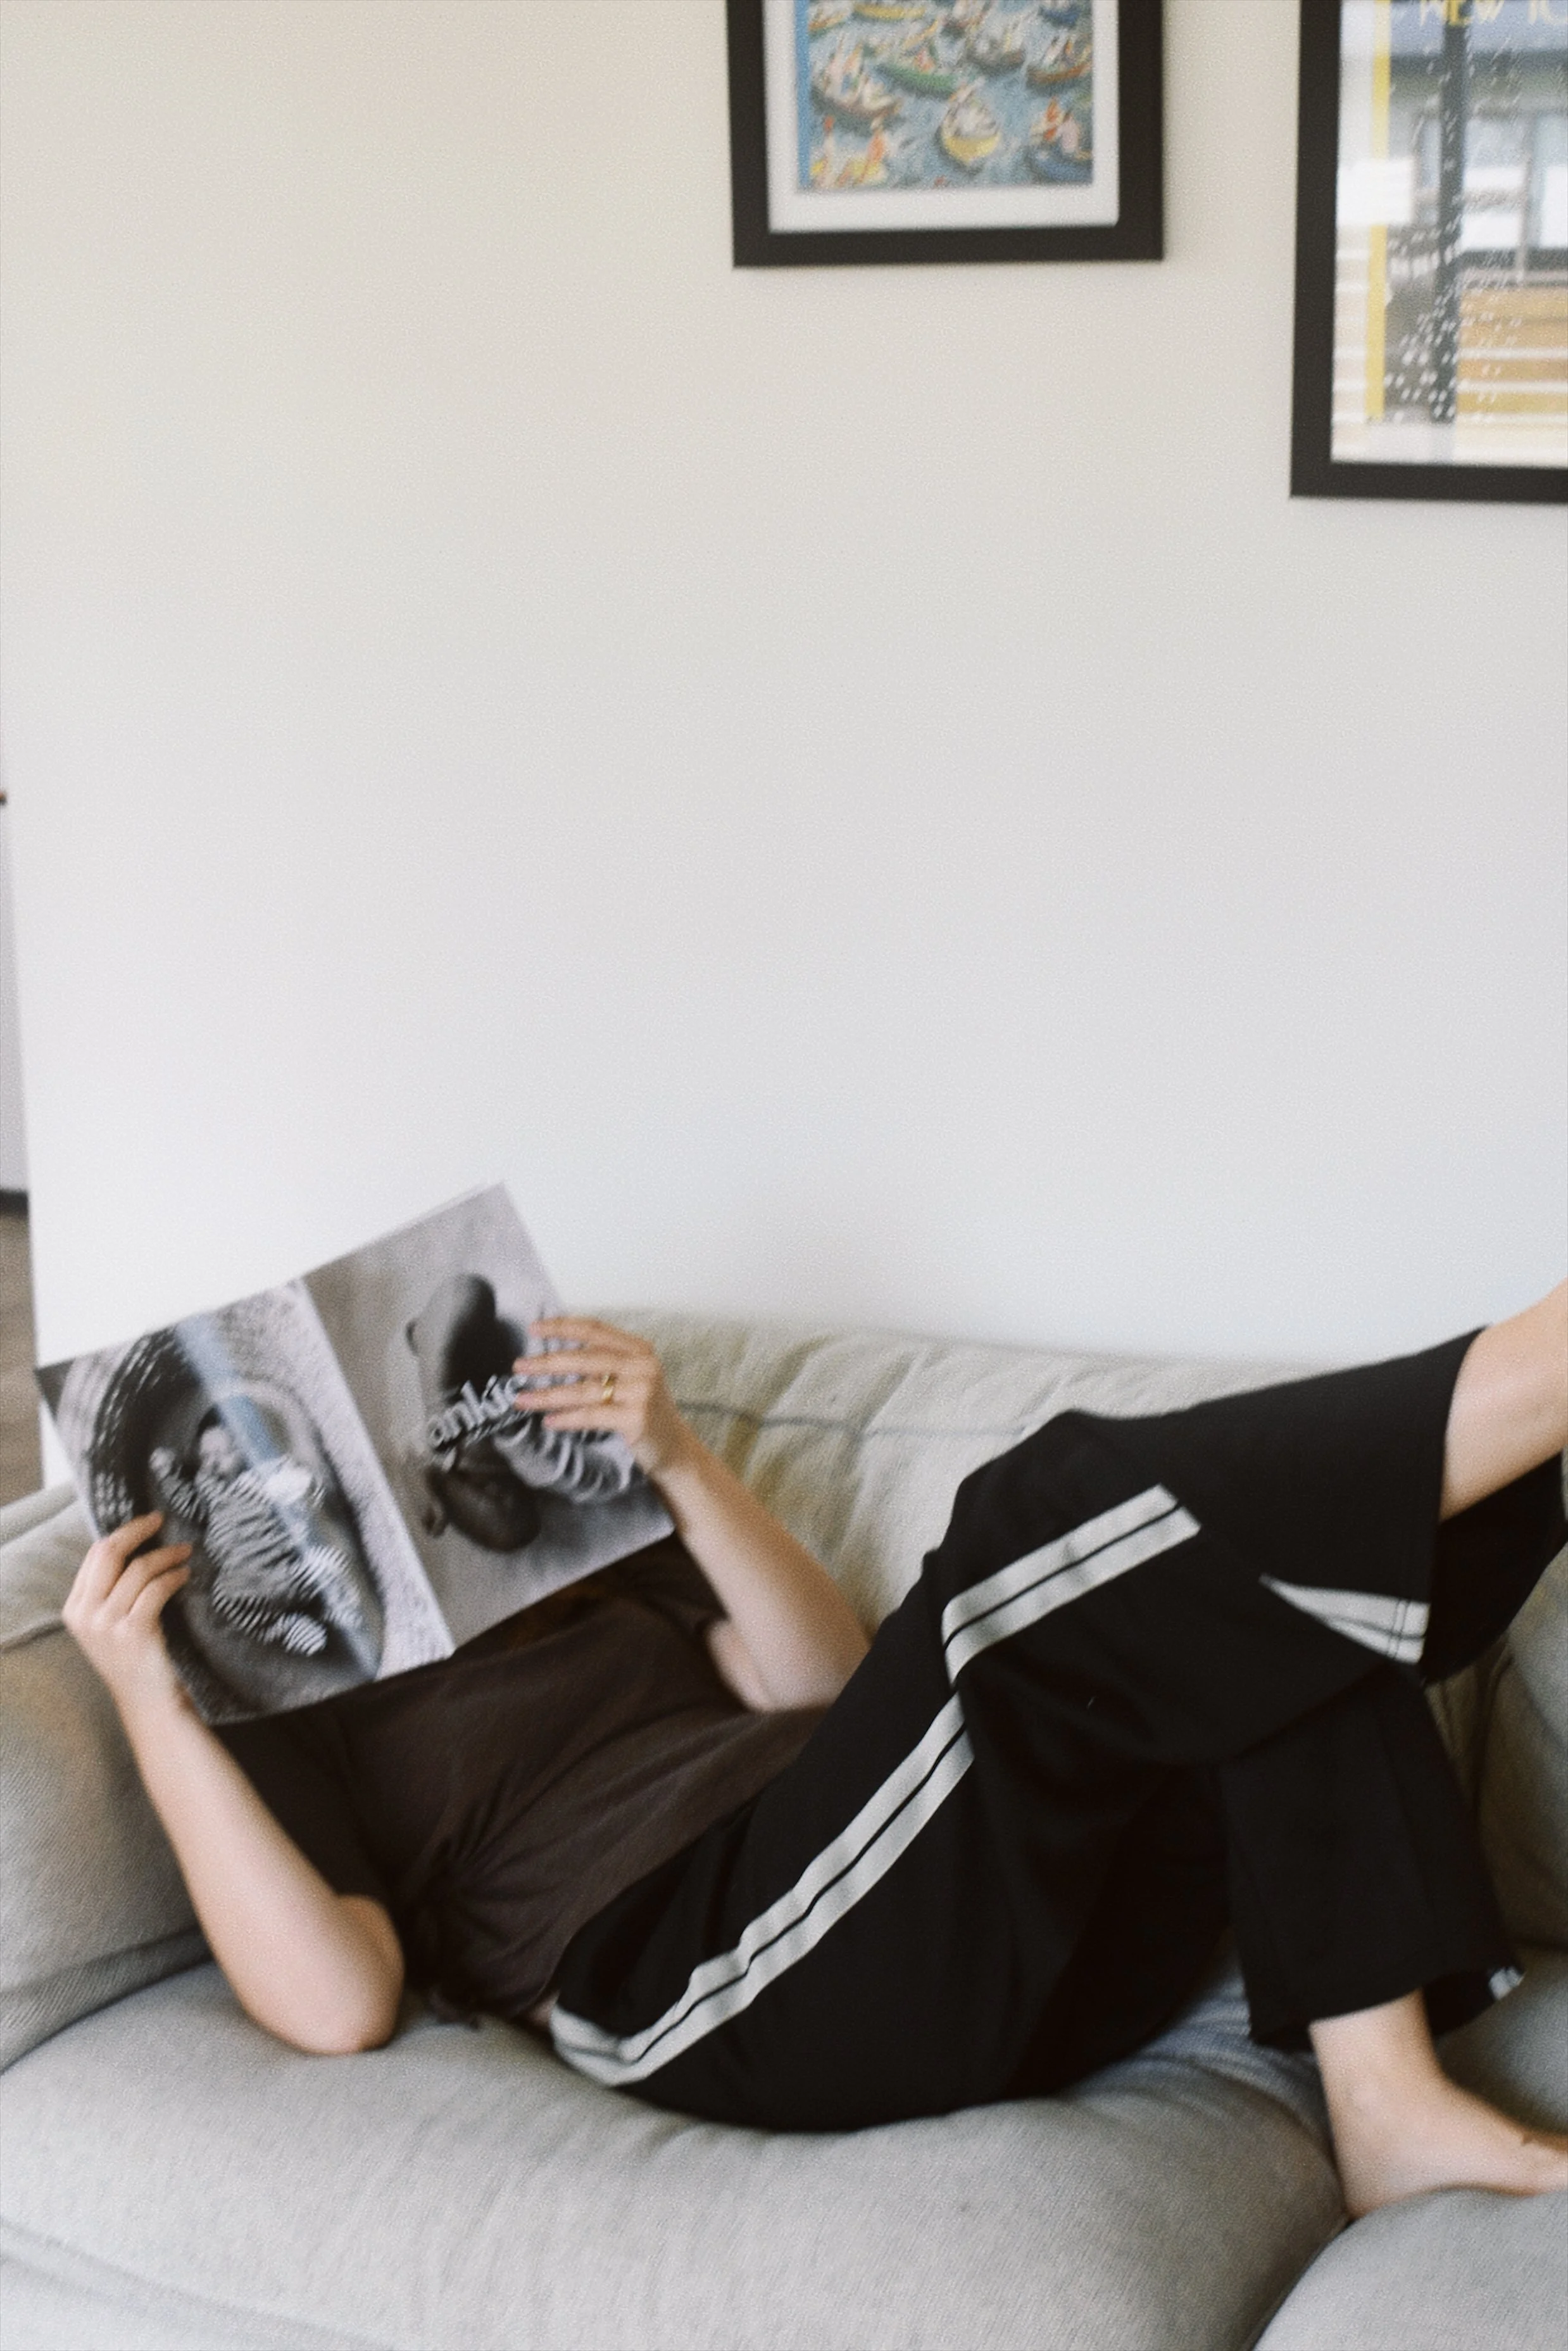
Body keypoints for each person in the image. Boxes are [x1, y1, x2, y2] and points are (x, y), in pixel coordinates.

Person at [63, 1285, 1568, 2217]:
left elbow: (820, 1685)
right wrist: (148, 1690)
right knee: (1036, 1512)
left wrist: (675, 1459)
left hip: (893, 1888)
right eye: (219, 1467)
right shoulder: (287, 1709)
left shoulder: (549, 1554)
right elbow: (338, 1997)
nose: (265, 1484)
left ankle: (1379, 2098)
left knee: (1218, 1595)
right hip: (698, 1971)